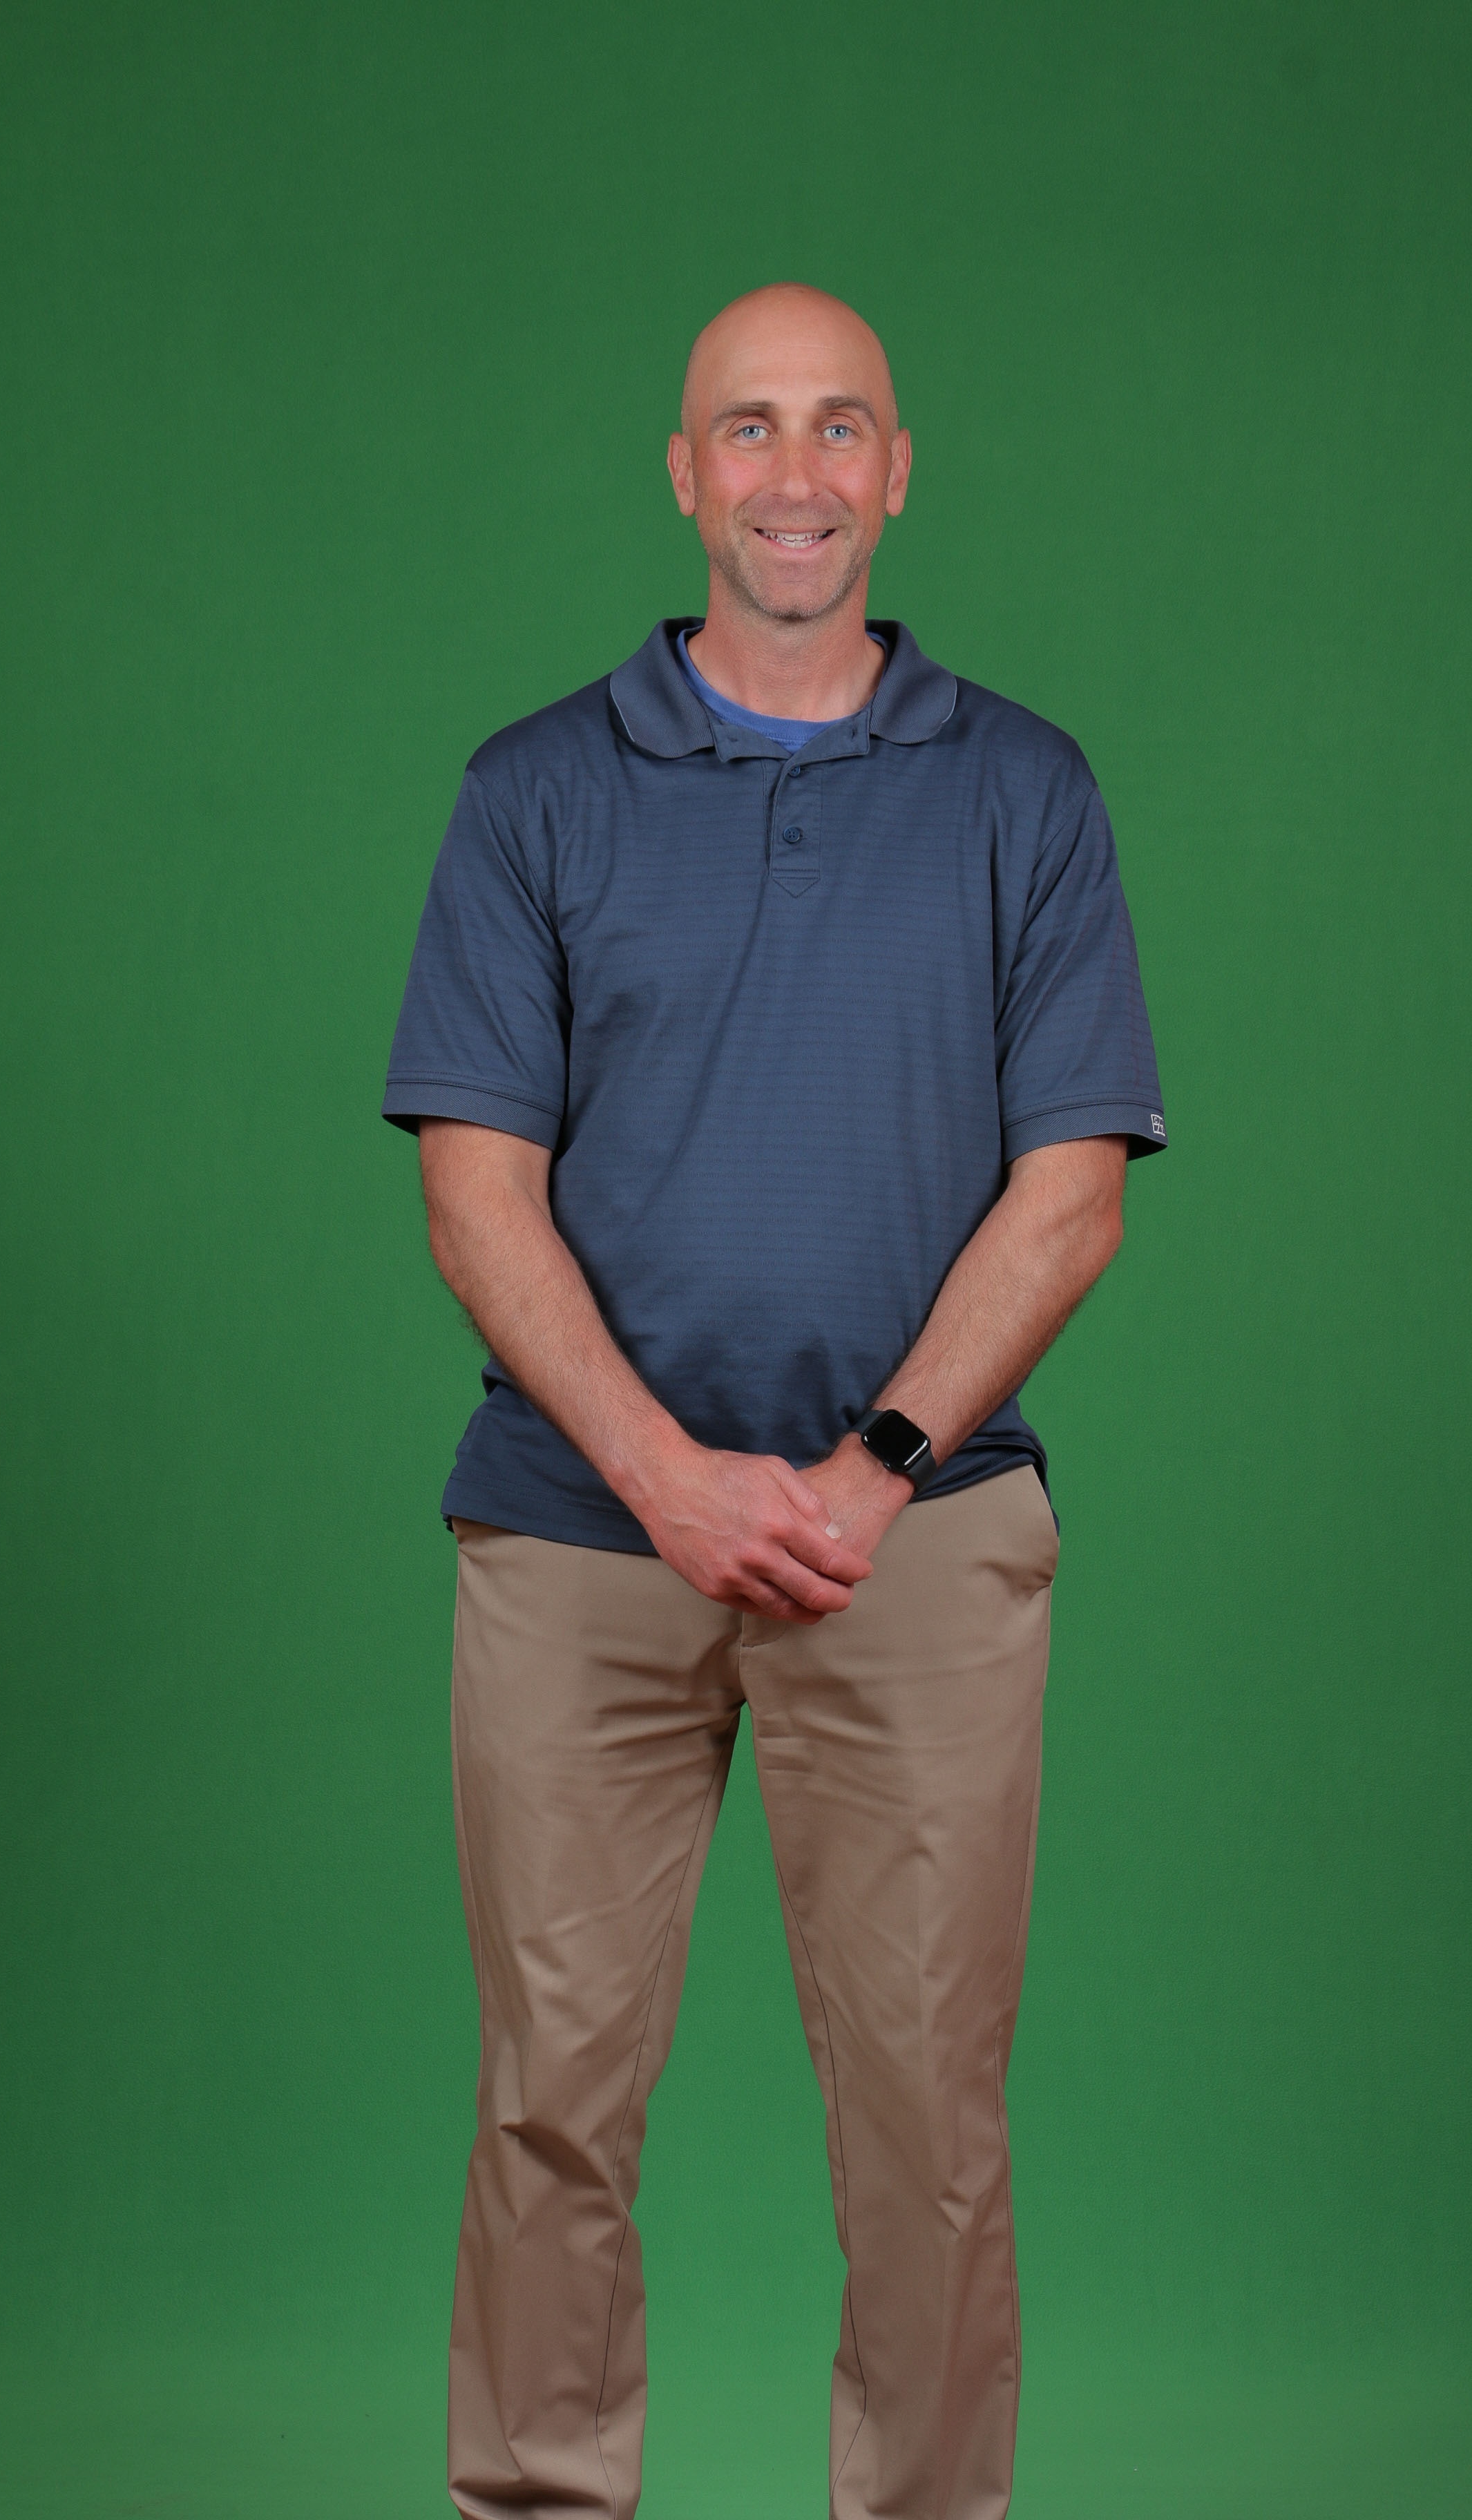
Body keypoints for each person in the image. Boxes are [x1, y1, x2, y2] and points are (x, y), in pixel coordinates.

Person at [383, 281, 1166, 2520]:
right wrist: (666, 1480)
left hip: (917, 1541)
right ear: (683, 472)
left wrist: (869, 1470)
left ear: (897, 473)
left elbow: (1072, 1193)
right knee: (551, 2102)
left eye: (839, 426)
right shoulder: (535, 792)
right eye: (749, 427)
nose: (795, 472)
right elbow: (476, 1194)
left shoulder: (1024, 791)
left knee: (927, 2123)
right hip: (578, 1536)